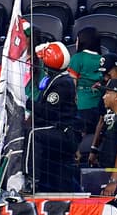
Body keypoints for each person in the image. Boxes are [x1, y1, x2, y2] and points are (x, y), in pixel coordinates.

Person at [30, 41, 81, 194]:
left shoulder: (62, 83)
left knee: (33, 134)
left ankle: (29, 179)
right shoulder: (56, 79)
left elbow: (48, 112)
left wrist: (26, 103)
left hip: (64, 133)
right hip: (56, 133)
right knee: (58, 178)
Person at [69, 28, 104, 134]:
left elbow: (72, 82)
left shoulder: (77, 58)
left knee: (81, 135)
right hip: (99, 103)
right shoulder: (102, 58)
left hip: (82, 104)